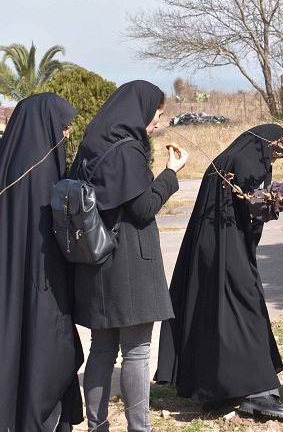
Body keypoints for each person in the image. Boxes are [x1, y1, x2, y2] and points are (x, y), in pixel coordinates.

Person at [155, 124, 283, 422]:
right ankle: (258, 392)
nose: (273, 162)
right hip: (228, 251)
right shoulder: (246, 162)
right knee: (247, 311)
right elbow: (258, 206)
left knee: (219, 316)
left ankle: (219, 390)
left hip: (214, 249)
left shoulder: (229, 159)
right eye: (274, 156)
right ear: (265, 146)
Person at [70, 80, 189, 432]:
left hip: (95, 260)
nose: (156, 122)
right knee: (136, 352)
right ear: (142, 109)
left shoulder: (90, 144)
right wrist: (171, 172)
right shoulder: (128, 149)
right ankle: (140, 428)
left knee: (101, 350)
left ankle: (98, 427)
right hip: (130, 262)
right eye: (157, 113)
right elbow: (143, 207)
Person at [0, 93, 84, 431]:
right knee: (45, 349)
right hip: (43, 282)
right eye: (62, 127)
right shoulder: (45, 172)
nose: (66, 134)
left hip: (9, 282)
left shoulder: (6, 163)